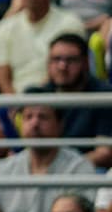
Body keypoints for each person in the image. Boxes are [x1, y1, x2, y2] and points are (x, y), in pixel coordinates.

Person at [0, 101, 97, 212]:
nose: (35, 123)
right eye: (28, 117)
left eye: (43, 117)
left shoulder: (78, 167)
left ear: (60, 125)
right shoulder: (5, 168)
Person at [0, 0, 87, 93]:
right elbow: (2, 76)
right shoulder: (4, 28)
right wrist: (17, 106)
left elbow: (68, 73)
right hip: (15, 103)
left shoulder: (71, 23)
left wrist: (34, 101)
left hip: (58, 100)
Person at [36, 33, 112, 167]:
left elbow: (104, 153)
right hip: (46, 171)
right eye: (56, 59)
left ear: (85, 63)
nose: (62, 66)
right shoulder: (39, 95)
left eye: (71, 60)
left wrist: (65, 169)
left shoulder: (103, 96)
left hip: (91, 173)